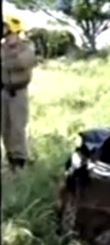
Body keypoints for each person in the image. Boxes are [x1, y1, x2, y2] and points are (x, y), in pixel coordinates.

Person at [2, 14, 37, 171]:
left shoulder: (27, 46)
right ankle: (11, 160)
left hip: (19, 92)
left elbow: (22, 63)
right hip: (3, 92)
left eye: (5, 27)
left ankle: (20, 161)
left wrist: (5, 60)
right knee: (5, 129)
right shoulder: (2, 47)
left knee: (17, 128)